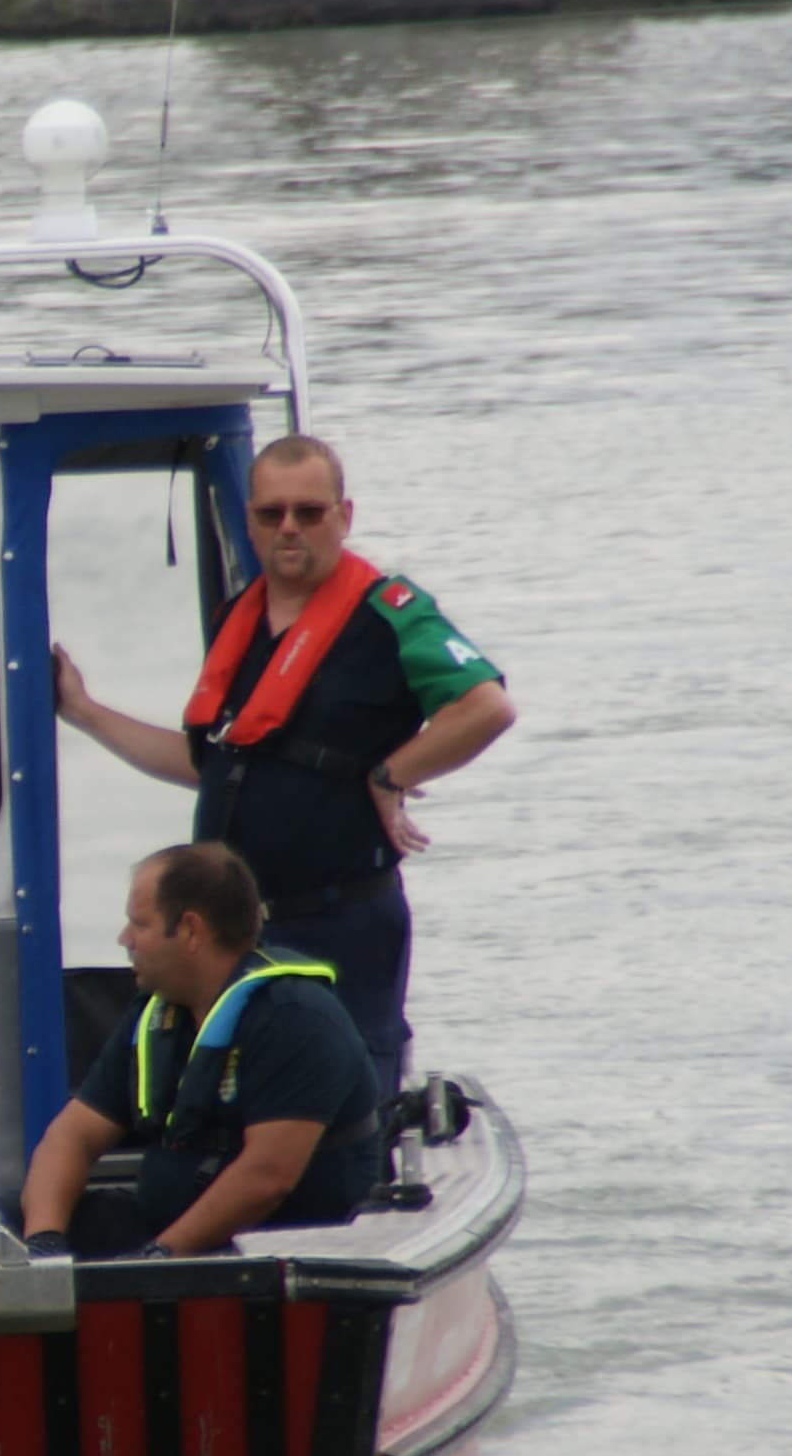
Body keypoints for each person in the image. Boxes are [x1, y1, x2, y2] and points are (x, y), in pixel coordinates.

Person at [50, 433, 511, 1102]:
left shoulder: (390, 615)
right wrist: (86, 711)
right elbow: (206, 765)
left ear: (343, 516)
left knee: (342, 1097)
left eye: (309, 511)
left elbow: (486, 707)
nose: (289, 527)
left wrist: (391, 774)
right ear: (250, 521)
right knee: (233, 1100)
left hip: (338, 921)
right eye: (271, 514)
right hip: (237, 931)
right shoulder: (237, 619)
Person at [15, 842, 385, 1259]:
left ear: (190, 930)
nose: (125, 939)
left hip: (272, 1253)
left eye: (139, 924)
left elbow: (268, 1176)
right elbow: (72, 1136)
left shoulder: (296, 1017)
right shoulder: (157, 1015)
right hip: (163, 1235)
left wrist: (159, 1257)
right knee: (3, 1224)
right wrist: (43, 1245)